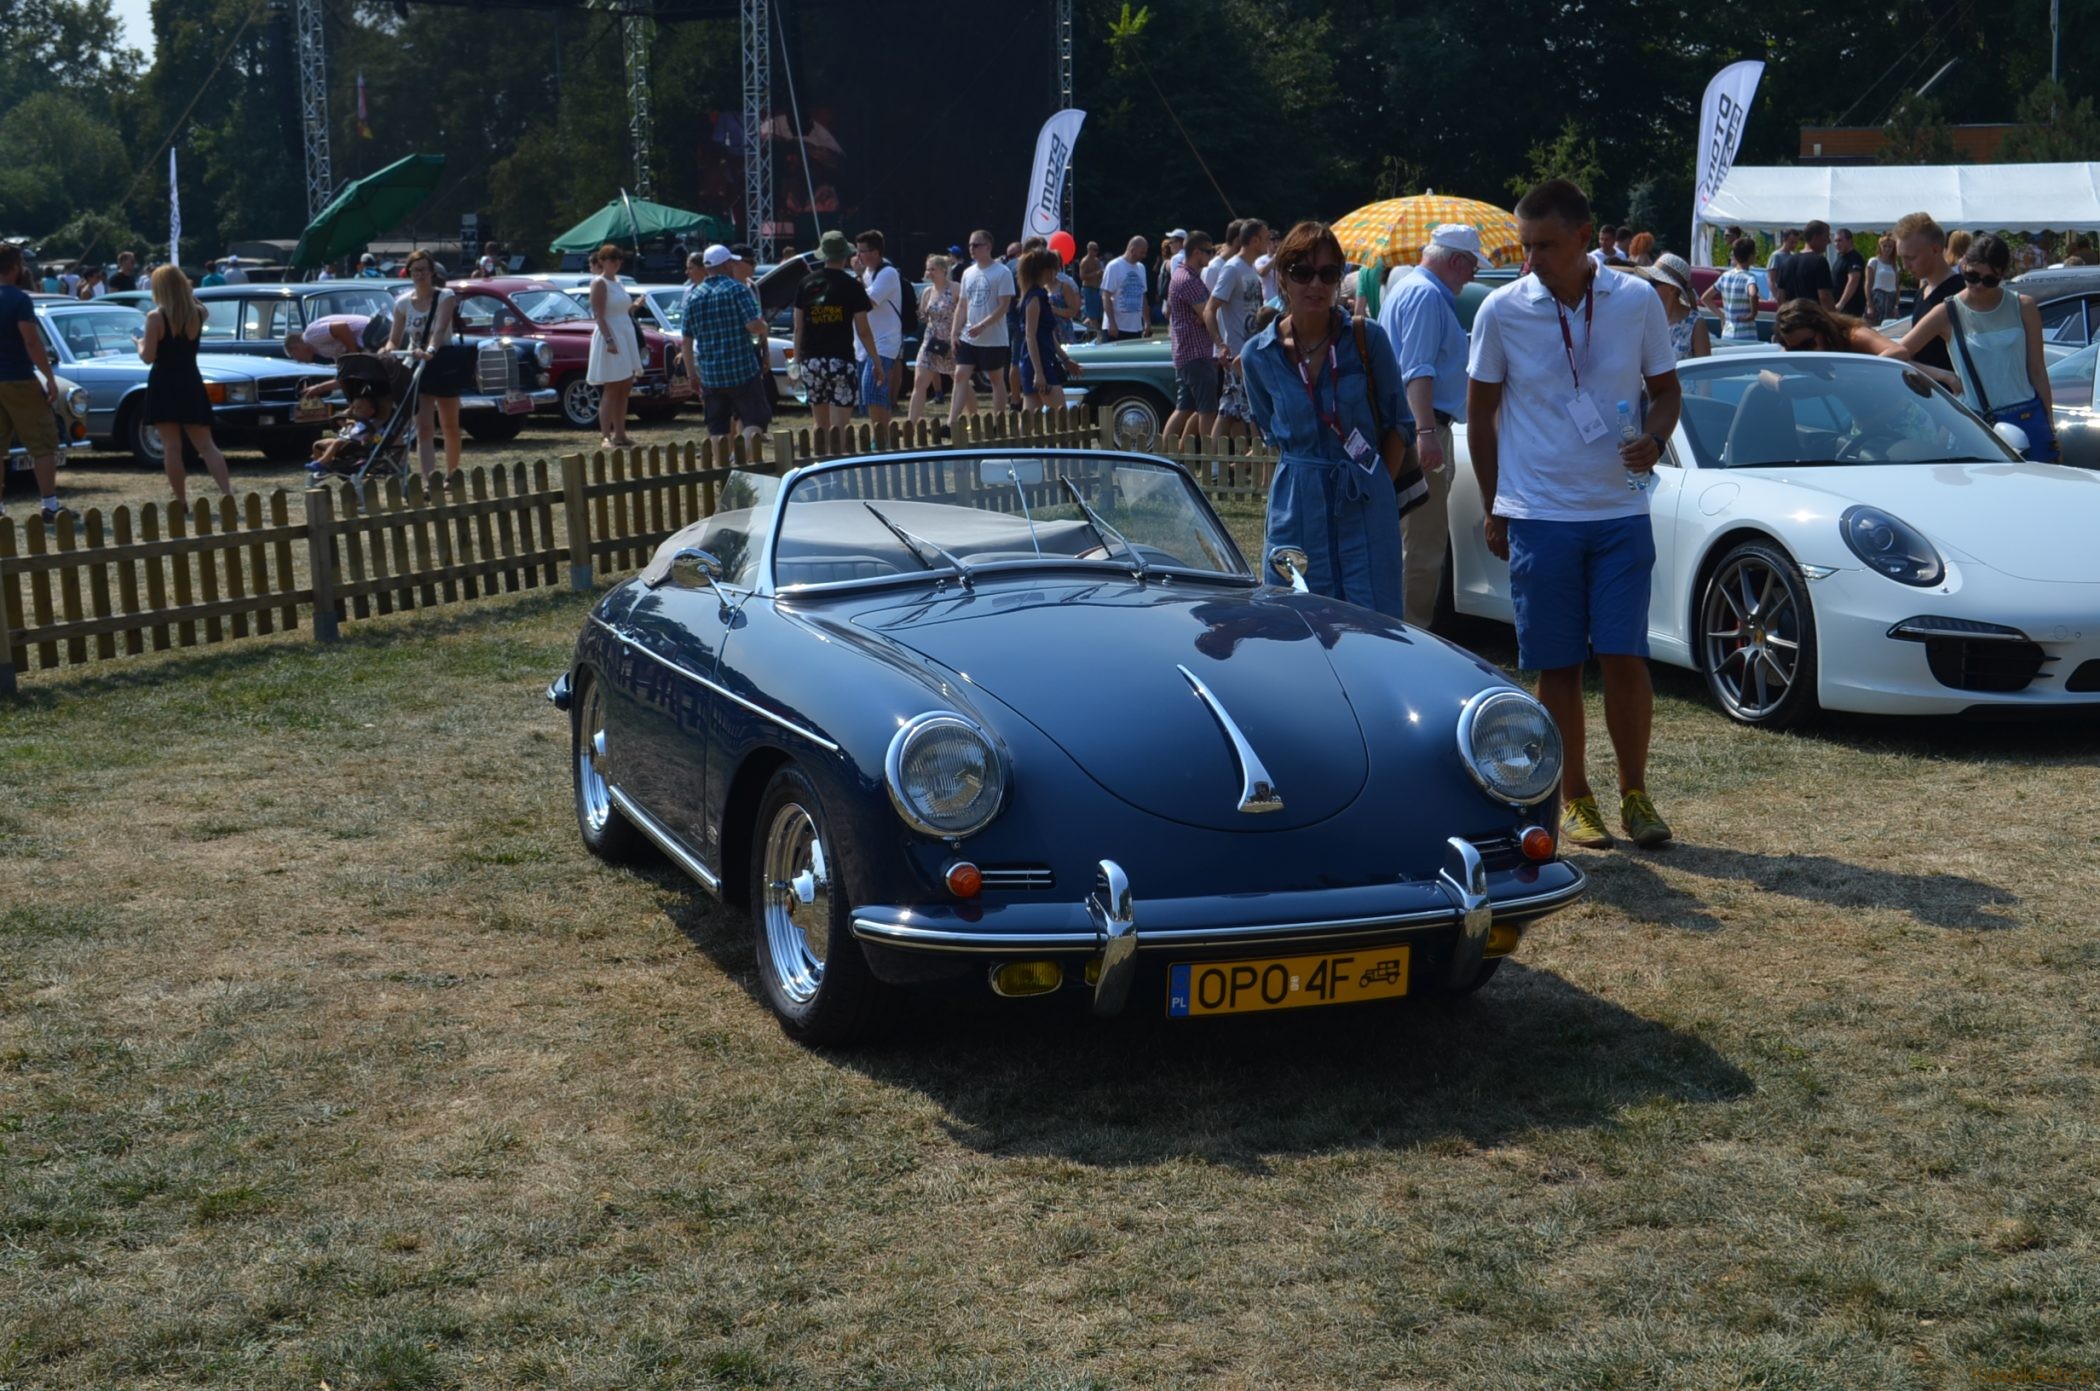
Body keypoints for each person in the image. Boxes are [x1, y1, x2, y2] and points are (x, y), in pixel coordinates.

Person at [1466, 178, 1681, 850]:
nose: (1532, 260)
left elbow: (1667, 392)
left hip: (1619, 510)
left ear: (1586, 238)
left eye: (1546, 246)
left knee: (1625, 657)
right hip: (1539, 513)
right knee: (1557, 664)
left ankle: (1636, 794)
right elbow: (1480, 416)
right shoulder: (1502, 310)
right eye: (1525, 247)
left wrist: (1657, 435)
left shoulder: (1637, 300)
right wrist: (1495, 507)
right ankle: (1575, 795)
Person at [1241, 221, 1417, 620]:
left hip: (1363, 500)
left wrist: (1376, 488)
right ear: (1283, 278)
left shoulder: (1367, 339)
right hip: (1297, 505)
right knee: (1295, 622)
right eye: (1302, 273)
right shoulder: (1258, 354)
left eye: (1328, 273)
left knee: (1374, 624)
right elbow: (1270, 427)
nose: (1315, 285)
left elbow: (1399, 425)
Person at [1379, 223, 1488, 629]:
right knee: (1423, 546)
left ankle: (1395, 628)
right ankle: (1410, 635)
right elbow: (1418, 371)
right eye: (1472, 265)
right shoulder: (1426, 296)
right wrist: (1426, 433)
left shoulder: (1408, 288)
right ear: (1456, 261)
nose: (1474, 274)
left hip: (1409, 428)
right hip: (1422, 429)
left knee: (1409, 541)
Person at [1898, 233, 2057, 461]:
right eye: (1971, 276)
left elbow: (2038, 370)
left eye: (1989, 280)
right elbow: (1896, 354)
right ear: (1962, 264)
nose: (1978, 285)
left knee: (2041, 491)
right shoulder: (1948, 311)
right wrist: (1944, 376)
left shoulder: (2023, 306)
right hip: (1976, 425)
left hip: (2028, 417)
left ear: (2002, 274)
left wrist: (2049, 424)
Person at [140, 264, 236, 509]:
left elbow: (148, 356)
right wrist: (187, 291)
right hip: (190, 380)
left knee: (172, 447)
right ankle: (227, 493)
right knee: (207, 445)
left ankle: (181, 500)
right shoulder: (198, 314)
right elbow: (202, 307)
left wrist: (139, 344)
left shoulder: (155, 317)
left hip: (164, 382)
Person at [0, 244, 72, 523]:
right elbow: (31, 342)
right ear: (16, 267)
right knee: (43, 443)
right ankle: (50, 505)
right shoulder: (19, 299)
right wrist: (50, 379)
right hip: (19, 378)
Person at [388, 248, 466, 478]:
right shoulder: (402, 302)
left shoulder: (445, 296)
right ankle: (428, 479)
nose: (419, 274)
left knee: (449, 424)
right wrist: (387, 351)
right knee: (423, 427)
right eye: (414, 270)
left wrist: (430, 350)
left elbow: (440, 329)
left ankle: (452, 475)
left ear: (432, 272)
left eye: (423, 269)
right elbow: (394, 338)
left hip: (442, 361)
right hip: (417, 365)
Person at [682, 244, 771, 445]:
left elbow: (686, 341)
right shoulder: (737, 289)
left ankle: (723, 470)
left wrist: (691, 374)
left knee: (718, 428)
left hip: (711, 374)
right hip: (742, 370)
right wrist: (764, 326)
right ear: (726, 264)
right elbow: (753, 325)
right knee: (753, 421)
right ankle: (743, 461)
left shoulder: (694, 296)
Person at [794, 229, 878, 434]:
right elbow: (864, 330)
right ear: (845, 256)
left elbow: (798, 327)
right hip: (840, 359)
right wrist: (876, 361)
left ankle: (821, 464)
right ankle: (838, 464)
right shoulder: (852, 286)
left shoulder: (805, 283)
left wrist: (797, 362)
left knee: (819, 426)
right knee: (840, 428)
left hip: (812, 361)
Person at [1206, 219, 1271, 439]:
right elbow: (1210, 308)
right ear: (1254, 240)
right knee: (1253, 410)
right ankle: (1260, 469)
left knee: (1226, 411)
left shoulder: (1250, 268)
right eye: (1266, 238)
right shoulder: (1232, 268)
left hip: (1248, 350)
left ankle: (1214, 467)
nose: (1270, 242)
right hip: (1237, 353)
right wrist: (1220, 344)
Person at [948, 229, 1015, 423]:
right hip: (969, 336)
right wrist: (954, 333)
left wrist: (983, 325)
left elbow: (1004, 306)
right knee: (960, 375)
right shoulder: (968, 272)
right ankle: (952, 422)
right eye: (970, 245)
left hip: (994, 337)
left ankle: (998, 421)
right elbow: (962, 305)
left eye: (976, 245)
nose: (971, 249)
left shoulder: (1002, 272)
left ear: (988, 247)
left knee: (995, 379)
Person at [1894, 211, 1966, 375]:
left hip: (1952, 395)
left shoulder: (1960, 292)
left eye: (1911, 258)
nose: (1905, 266)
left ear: (1935, 250)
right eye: (1902, 258)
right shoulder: (1922, 292)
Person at [1163, 231, 1220, 439]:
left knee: (1185, 408)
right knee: (1208, 410)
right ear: (1196, 252)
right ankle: (1211, 464)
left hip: (1187, 353)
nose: (1211, 256)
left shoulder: (1184, 276)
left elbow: (1204, 312)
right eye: (1208, 251)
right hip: (1196, 353)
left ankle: (1167, 457)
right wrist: (1206, 315)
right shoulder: (1187, 279)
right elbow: (1207, 314)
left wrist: (1205, 314)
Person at [581, 244, 638, 448]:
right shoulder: (599, 282)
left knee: (624, 386)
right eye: (612, 259)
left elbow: (622, 309)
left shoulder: (619, 282)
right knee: (612, 387)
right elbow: (599, 315)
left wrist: (634, 307)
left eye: (619, 259)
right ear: (602, 261)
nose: (616, 263)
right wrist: (609, 340)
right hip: (611, 335)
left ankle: (620, 434)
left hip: (625, 333)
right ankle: (605, 435)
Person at [851, 229, 904, 428]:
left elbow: (868, 302)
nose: (858, 257)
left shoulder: (888, 273)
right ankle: (882, 432)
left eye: (862, 252)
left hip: (884, 341)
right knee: (869, 394)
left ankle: (881, 434)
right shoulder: (867, 273)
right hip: (865, 343)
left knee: (873, 387)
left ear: (875, 252)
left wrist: (856, 276)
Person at [1017, 247, 1080, 411]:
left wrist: (1065, 359)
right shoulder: (1035, 297)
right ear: (1046, 270)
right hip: (1039, 363)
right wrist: (1039, 372)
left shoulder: (1039, 295)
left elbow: (1047, 334)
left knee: (1029, 418)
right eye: (1054, 269)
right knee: (1062, 416)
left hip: (1041, 360)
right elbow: (1030, 336)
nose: (1056, 273)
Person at [907, 254, 956, 425]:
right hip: (931, 341)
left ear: (943, 270)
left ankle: (973, 415)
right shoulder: (927, 292)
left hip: (950, 342)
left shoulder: (955, 288)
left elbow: (966, 312)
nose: (928, 273)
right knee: (919, 381)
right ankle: (910, 425)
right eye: (927, 269)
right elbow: (922, 316)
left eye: (932, 269)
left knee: (959, 380)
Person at [1638, 254, 1712, 362]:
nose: (1649, 286)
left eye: (1654, 283)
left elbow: (1704, 372)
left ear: (1672, 288)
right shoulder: (1646, 317)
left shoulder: (1695, 323)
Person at [1698, 235, 1762, 343]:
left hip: (1727, 332)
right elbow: (1752, 293)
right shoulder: (1749, 277)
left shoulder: (1725, 276)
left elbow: (1705, 298)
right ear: (1751, 256)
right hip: (1746, 334)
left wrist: (1722, 316)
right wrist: (1752, 314)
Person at [1774, 221, 1835, 308]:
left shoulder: (1787, 262)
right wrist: (1833, 319)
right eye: (1827, 236)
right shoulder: (1819, 261)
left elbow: (1780, 296)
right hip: (1812, 318)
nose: (1829, 241)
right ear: (1816, 237)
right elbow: (1824, 297)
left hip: (1791, 317)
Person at [1100, 236, 1149, 340]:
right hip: (1116, 328)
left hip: (1135, 329)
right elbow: (1106, 296)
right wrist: (1112, 323)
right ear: (1132, 250)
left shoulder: (1141, 268)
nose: (1144, 256)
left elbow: (1143, 296)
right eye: (1142, 252)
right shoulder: (1114, 266)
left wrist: (1147, 321)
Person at [1829, 229, 1868, 318]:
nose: (1837, 244)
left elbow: (1853, 281)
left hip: (1850, 306)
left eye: (1840, 240)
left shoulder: (1854, 258)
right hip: (1838, 305)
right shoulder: (1840, 256)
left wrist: (1841, 303)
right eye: (1835, 241)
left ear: (1849, 241)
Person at [1870, 235, 1902, 322]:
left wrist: (1896, 306)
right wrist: (1870, 305)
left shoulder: (1895, 265)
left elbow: (1897, 287)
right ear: (1880, 246)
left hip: (1891, 298)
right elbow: (1867, 285)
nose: (1887, 249)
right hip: (1877, 297)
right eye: (1884, 246)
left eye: (1890, 246)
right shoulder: (1874, 261)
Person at [1077, 241, 1104, 339]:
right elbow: (1082, 276)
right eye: (1094, 250)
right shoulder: (1085, 262)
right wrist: (1095, 274)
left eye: (1097, 250)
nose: (1096, 252)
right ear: (1089, 250)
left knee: (1095, 315)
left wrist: (1101, 273)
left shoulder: (1097, 261)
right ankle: (1096, 336)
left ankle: (1083, 329)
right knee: (1093, 316)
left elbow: (1099, 274)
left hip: (1097, 289)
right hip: (1088, 289)